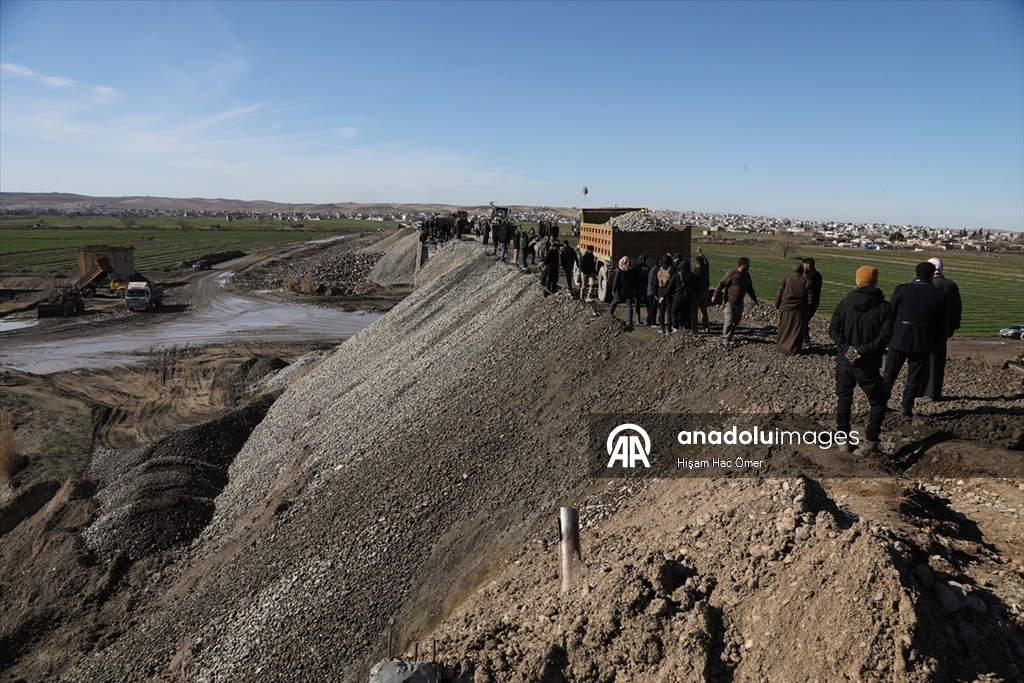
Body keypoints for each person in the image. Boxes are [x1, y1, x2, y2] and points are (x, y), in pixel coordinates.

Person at [828, 266, 893, 456]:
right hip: (869, 363)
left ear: (857, 280)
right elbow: (885, 336)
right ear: (875, 281)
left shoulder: (845, 303)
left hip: (844, 362)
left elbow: (833, 329)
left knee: (844, 398)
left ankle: (843, 440)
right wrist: (862, 351)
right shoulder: (885, 307)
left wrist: (847, 350)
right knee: (878, 401)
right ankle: (871, 441)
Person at [883, 262, 945, 417]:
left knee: (889, 374)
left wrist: (887, 336)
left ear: (915, 274)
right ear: (932, 276)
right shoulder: (938, 295)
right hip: (923, 342)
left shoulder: (902, 289)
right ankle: (906, 407)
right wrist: (936, 343)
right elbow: (941, 324)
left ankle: (881, 403)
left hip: (899, 338)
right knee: (914, 377)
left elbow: (890, 315)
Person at [920, 257, 961, 402]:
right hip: (942, 330)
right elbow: (956, 310)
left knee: (921, 359)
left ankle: (919, 390)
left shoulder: (926, 284)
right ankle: (933, 392)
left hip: (923, 329)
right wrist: (952, 327)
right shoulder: (950, 285)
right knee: (937, 361)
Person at [712, 257, 758, 347]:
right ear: (742, 265)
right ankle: (726, 338)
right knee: (729, 320)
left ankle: (730, 336)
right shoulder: (732, 273)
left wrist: (754, 298)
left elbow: (750, 288)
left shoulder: (747, 276)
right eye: (747, 264)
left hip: (739, 302)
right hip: (729, 301)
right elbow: (722, 283)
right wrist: (715, 294)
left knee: (736, 321)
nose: (749, 266)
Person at [775, 263, 813, 354]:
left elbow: (779, 293)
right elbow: (810, 298)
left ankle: (781, 346)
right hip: (800, 309)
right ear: (802, 271)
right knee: (796, 329)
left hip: (786, 307)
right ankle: (794, 348)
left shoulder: (785, 279)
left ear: (793, 271)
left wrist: (777, 304)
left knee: (784, 328)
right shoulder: (807, 281)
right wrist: (808, 309)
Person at [608, 256, 635, 330]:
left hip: (620, 291)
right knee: (629, 306)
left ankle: (610, 314)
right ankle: (630, 321)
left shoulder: (620, 270)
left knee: (614, 302)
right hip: (629, 290)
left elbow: (616, 281)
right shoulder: (631, 270)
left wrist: (613, 289)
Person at [802, 258, 823, 349]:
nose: (803, 267)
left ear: (808, 265)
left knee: (803, 321)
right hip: (815, 301)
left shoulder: (809, 277)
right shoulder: (818, 275)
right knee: (805, 321)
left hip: (809, 302)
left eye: (804, 265)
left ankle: (805, 341)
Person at [693, 250, 711, 332]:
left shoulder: (695, 271)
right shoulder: (705, 268)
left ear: (696, 263)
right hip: (705, 292)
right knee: (704, 310)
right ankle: (706, 327)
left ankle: (695, 328)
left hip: (697, 294)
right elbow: (707, 261)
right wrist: (701, 253)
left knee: (694, 311)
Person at [655, 255, 674, 334]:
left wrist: (656, 293)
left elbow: (655, 283)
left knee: (661, 310)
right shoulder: (671, 271)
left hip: (660, 292)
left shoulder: (659, 271)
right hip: (669, 293)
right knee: (669, 311)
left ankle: (661, 326)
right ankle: (669, 328)